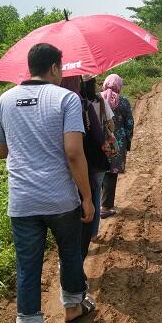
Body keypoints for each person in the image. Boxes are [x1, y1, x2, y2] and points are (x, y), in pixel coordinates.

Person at [0, 43, 95, 323]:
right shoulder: (66, 98)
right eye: (61, 68)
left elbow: (0, 149)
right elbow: (74, 152)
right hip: (60, 198)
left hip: (22, 201)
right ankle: (74, 306)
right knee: (70, 253)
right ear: (54, 68)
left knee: (27, 267)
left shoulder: (5, 100)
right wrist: (87, 197)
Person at [60, 75, 109, 258]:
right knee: (89, 203)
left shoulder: (51, 104)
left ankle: (66, 263)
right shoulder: (82, 104)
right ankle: (77, 264)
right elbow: (97, 136)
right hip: (86, 168)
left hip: (56, 176)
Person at [81, 74, 115, 239]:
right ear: (94, 84)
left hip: (80, 152)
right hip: (98, 153)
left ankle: (79, 233)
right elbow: (111, 125)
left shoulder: (72, 102)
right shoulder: (100, 100)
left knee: (80, 193)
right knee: (95, 193)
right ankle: (93, 234)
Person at [101, 73, 134, 218]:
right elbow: (129, 123)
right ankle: (106, 206)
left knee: (98, 171)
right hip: (117, 142)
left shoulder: (97, 98)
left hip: (99, 141)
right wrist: (128, 141)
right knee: (111, 173)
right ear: (119, 86)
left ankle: (98, 203)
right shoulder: (124, 102)